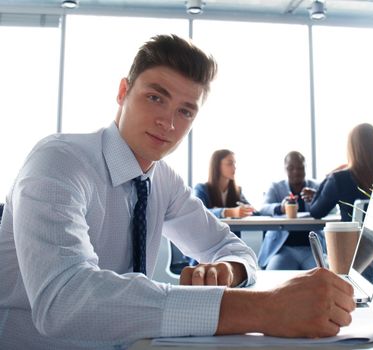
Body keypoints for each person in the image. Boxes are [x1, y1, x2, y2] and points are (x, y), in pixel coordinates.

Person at [0, 34, 354, 350]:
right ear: (123, 92)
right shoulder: (59, 162)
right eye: (155, 97)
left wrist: (226, 271)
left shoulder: (162, 179)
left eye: (185, 111)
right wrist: (265, 309)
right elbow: (64, 300)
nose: (168, 123)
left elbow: (233, 248)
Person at [310, 123, 373, 221]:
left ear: (351, 148)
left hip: (350, 236)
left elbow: (316, 212)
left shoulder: (339, 179)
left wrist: (329, 176)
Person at [258, 151, 320, 270]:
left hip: (311, 249)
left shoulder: (316, 187)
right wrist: (280, 208)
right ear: (285, 169)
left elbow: (333, 210)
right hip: (283, 249)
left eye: (300, 167)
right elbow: (263, 208)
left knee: (325, 275)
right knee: (272, 276)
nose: (296, 171)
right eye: (291, 168)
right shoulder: (276, 187)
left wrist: (318, 199)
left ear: (305, 167)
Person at [194, 149, 255, 226]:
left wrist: (248, 209)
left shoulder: (237, 191)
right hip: (210, 236)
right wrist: (229, 212)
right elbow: (198, 212)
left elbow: (256, 213)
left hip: (231, 236)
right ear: (217, 166)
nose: (234, 167)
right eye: (230, 163)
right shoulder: (201, 189)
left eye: (234, 163)